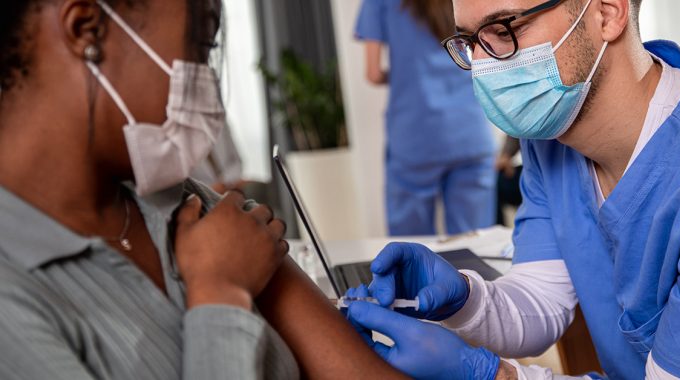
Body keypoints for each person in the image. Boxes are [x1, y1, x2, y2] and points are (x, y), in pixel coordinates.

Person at [0, 1, 407, 379]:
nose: (206, 83)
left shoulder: (183, 202)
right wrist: (221, 292)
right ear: (86, 29)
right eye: (199, 45)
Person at [345, 0, 680, 378]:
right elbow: (541, 298)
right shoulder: (550, 140)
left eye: (505, 28)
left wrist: (492, 374)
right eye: (470, 40)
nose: (482, 63)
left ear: (607, 13)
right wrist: (464, 298)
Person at [355, 0, 497, 236]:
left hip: (415, 136)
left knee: (412, 250)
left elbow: (373, 73)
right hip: (470, 131)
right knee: (476, 245)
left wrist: (404, 75)